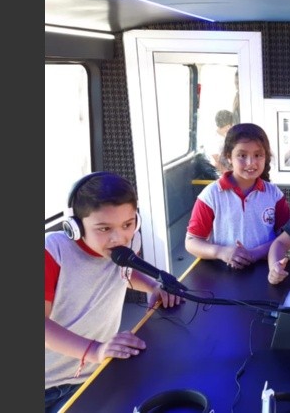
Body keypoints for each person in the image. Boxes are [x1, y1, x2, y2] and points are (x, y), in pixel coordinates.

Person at [45, 172, 184, 413]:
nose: (118, 238)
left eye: (127, 225)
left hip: (92, 373)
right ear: (75, 227)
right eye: (104, 228)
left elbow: (123, 273)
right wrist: (95, 350)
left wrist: (152, 286)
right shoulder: (53, 251)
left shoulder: (129, 242)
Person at [186, 123, 290, 269]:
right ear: (229, 156)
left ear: (265, 157)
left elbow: (287, 237)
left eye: (258, 155)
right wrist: (221, 252)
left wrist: (255, 253)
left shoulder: (275, 194)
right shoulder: (211, 195)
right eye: (242, 155)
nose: (251, 163)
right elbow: (192, 241)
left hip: (266, 269)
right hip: (223, 271)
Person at [207, 109, 236, 174]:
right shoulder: (215, 140)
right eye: (232, 124)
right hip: (221, 172)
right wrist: (230, 174)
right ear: (228, 126)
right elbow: (216, 163)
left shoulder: (224, 135)